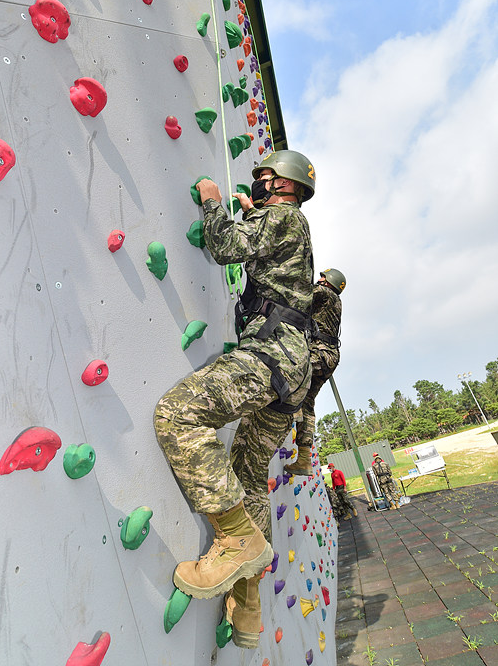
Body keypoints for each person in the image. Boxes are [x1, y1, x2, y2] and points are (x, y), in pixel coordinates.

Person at [154, 150, 316, 648]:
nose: (260, 184)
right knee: (248, 478)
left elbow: (225, 246)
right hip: (292, 369)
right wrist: (251, 212)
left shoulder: (283, 215)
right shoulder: (288, 224)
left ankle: (237, 537)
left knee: (178, 414)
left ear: (284, 184)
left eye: (265, 178)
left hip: (271, 354)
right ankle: (248, 607)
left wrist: (212, 202)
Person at [285, 268, 346, 477]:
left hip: (319, 352)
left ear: (329, 282)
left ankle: (290, 415)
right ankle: (303, 459)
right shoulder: (333, 301)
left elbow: (301, 292)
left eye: (323, 278)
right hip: (329, 356)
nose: (319, 280)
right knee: (309, 400)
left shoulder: (325, 293)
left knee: (290, 371)